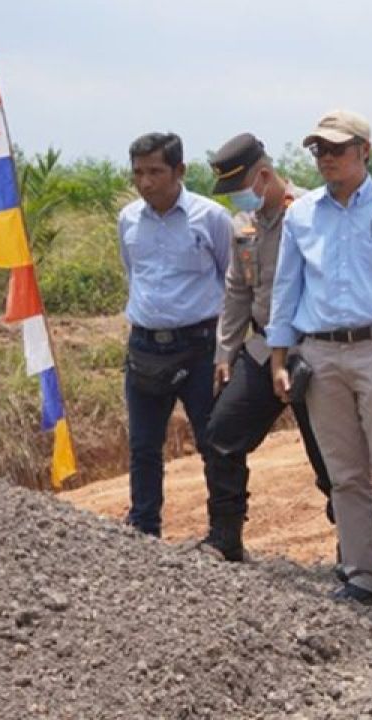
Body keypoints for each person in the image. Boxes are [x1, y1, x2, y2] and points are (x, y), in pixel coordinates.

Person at [268, 109, 372, 614]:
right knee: (345, 472)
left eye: (337, 149)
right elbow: (286, 288)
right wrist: (279, 358)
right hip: (320, 353)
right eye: (319, 150)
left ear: (365, 150)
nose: (327, 159)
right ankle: (363, 574)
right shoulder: (302, 214)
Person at [197, 133, 334, 561]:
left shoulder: (312, 213)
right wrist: (224, 352)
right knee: (221, 434)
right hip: (262, 346)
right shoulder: (244, 225)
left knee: (331, 454)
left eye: (239, 189)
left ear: (264, 175)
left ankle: (355, 553)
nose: (237, 199)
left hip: (312, 348)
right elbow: (237, 292)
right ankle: (225, 537)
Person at [117, 132, 233, 538]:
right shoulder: (129, 219)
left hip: (199, 347)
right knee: (144, 445)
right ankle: (144, 528)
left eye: (155, 172)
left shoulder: (212, 218)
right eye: (138, 173)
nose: (146, 182)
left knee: (212, 441)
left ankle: (222, 534)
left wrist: (225, 350)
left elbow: (231, 280)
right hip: (145, 345)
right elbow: (134, 272)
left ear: (179, 171)